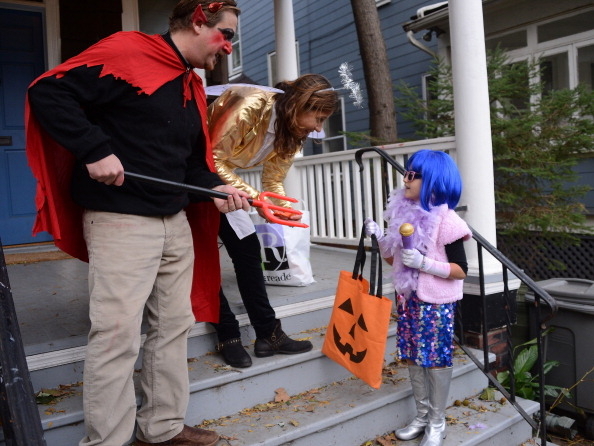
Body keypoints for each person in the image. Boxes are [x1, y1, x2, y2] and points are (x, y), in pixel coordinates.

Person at [25, 1, 248, 445]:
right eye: (226, 34)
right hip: (120, 221)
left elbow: (188, 164)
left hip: (174, 222)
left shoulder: (189, 85)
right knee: (116, 334)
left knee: (172, 328)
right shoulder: (128, 51)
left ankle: (161, 428)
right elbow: (48, 92)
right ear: (198, 22)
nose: (228, 46)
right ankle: (107, 439)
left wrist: (216, 189)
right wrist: (93, 150)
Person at [205, 75, 339, 368]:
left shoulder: (293, 131)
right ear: (300, 106)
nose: (319, 128)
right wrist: (257, 201)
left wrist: (279, 210)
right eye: (318, 118)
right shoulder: (251, 102)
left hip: (228, 187)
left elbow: (274, 179)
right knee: (204, 259)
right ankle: (227, 333)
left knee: (248, 251)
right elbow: (214, 159)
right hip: (196, 177)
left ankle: (268, 334)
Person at [364, 150, 472, 446]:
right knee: (413, 356)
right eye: (407, 173)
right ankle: (422, 416)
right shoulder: (402, 215)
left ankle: (437, 422)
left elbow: (461, 270)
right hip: (408, 300)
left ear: (433, 181)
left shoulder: (448, 221)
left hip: (436, 304)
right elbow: (393, 261)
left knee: (436, 359)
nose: (405, 178)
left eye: (413, 175)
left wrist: (425, 264)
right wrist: (379, 238)